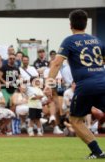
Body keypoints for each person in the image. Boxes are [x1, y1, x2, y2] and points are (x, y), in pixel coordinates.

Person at [45, 9, 105, 159]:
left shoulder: (69, 41)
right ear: (85, 24)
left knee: (75, 120)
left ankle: (97, 151)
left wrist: (48, 84)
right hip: (103, 82)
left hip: (85, 86)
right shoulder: (97, 41)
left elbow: (57, 63)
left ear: (70, 24)